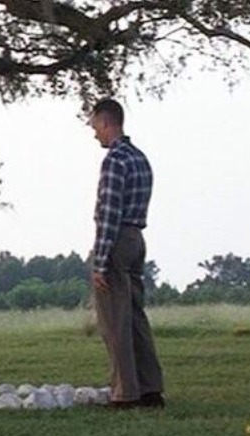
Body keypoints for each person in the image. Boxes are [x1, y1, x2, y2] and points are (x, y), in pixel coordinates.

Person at [88, 98, 165, 409]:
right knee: (135, 317)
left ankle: (124, 393)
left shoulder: (114, 161)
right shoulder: (141, 158)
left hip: (117, 240)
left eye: (95, 127)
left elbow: (109, 212)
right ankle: (151, 389)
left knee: (114, 321)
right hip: (137, 239)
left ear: (107, 123)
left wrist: (100, 262)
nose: (94, 134)